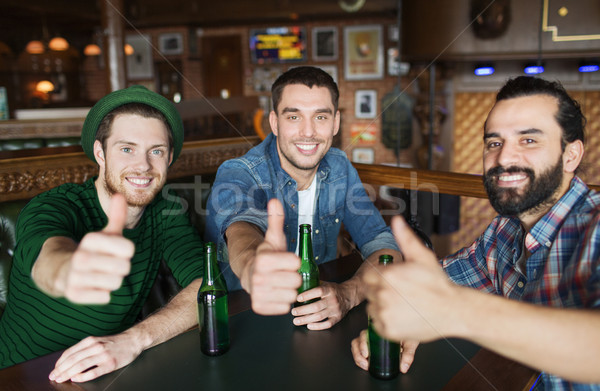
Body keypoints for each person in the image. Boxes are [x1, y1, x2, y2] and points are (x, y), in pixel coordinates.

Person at [351, 76, 600, 389]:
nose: (504, 158)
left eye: (529, 140)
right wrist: (389, 324)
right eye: (494, 143)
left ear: (571, 155)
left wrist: (456, 311)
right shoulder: (503, 231)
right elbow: (433, 289)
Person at [0, 86, 205, 383]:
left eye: (156, 151)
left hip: (103, 377)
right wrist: (68, 272)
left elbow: (206, 285)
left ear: (169, 157)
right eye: (126, 149)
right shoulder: (56, 205)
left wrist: (134, 340)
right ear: (100, 153)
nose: (143, 166)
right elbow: (48, 256)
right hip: (20, 377)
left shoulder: (166, 212)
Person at [205, 66, 400, 330]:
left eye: (320, 117)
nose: (308, 132)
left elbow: (384, 247)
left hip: (322, 319)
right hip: (248, 319)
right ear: (274, 123)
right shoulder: (239, 172)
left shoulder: (340, 167)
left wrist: (349, 294)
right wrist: (253, 265)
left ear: (336, 123)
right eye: (294, 117)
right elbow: (241, 226)